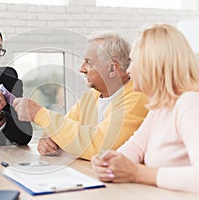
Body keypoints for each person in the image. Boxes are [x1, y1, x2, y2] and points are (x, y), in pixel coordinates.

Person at [91, 24, 199, 193]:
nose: (128, 69)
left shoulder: (189, 104)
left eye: (132, 61)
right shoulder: (161, 107)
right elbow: (135, 147)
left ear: (152, 64)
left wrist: (135, 173)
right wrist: (109, 163)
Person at [13, 32, 148, 160]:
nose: (81, 68)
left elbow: (100, 146)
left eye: (89, 62)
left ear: (111, 69)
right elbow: (65, 127)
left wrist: (40, 115)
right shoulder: (92, 95)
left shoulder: (137, 98)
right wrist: (49, 138)